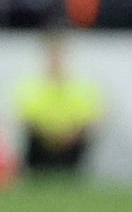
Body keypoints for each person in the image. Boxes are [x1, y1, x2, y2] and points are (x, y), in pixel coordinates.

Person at [13, 35, 101, 173]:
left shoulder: (80, 89)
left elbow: (88, 121)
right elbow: (28, 121)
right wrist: (50, 137)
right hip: (41, 143)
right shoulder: (32, 87)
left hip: (71, 144)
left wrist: (67, 137)